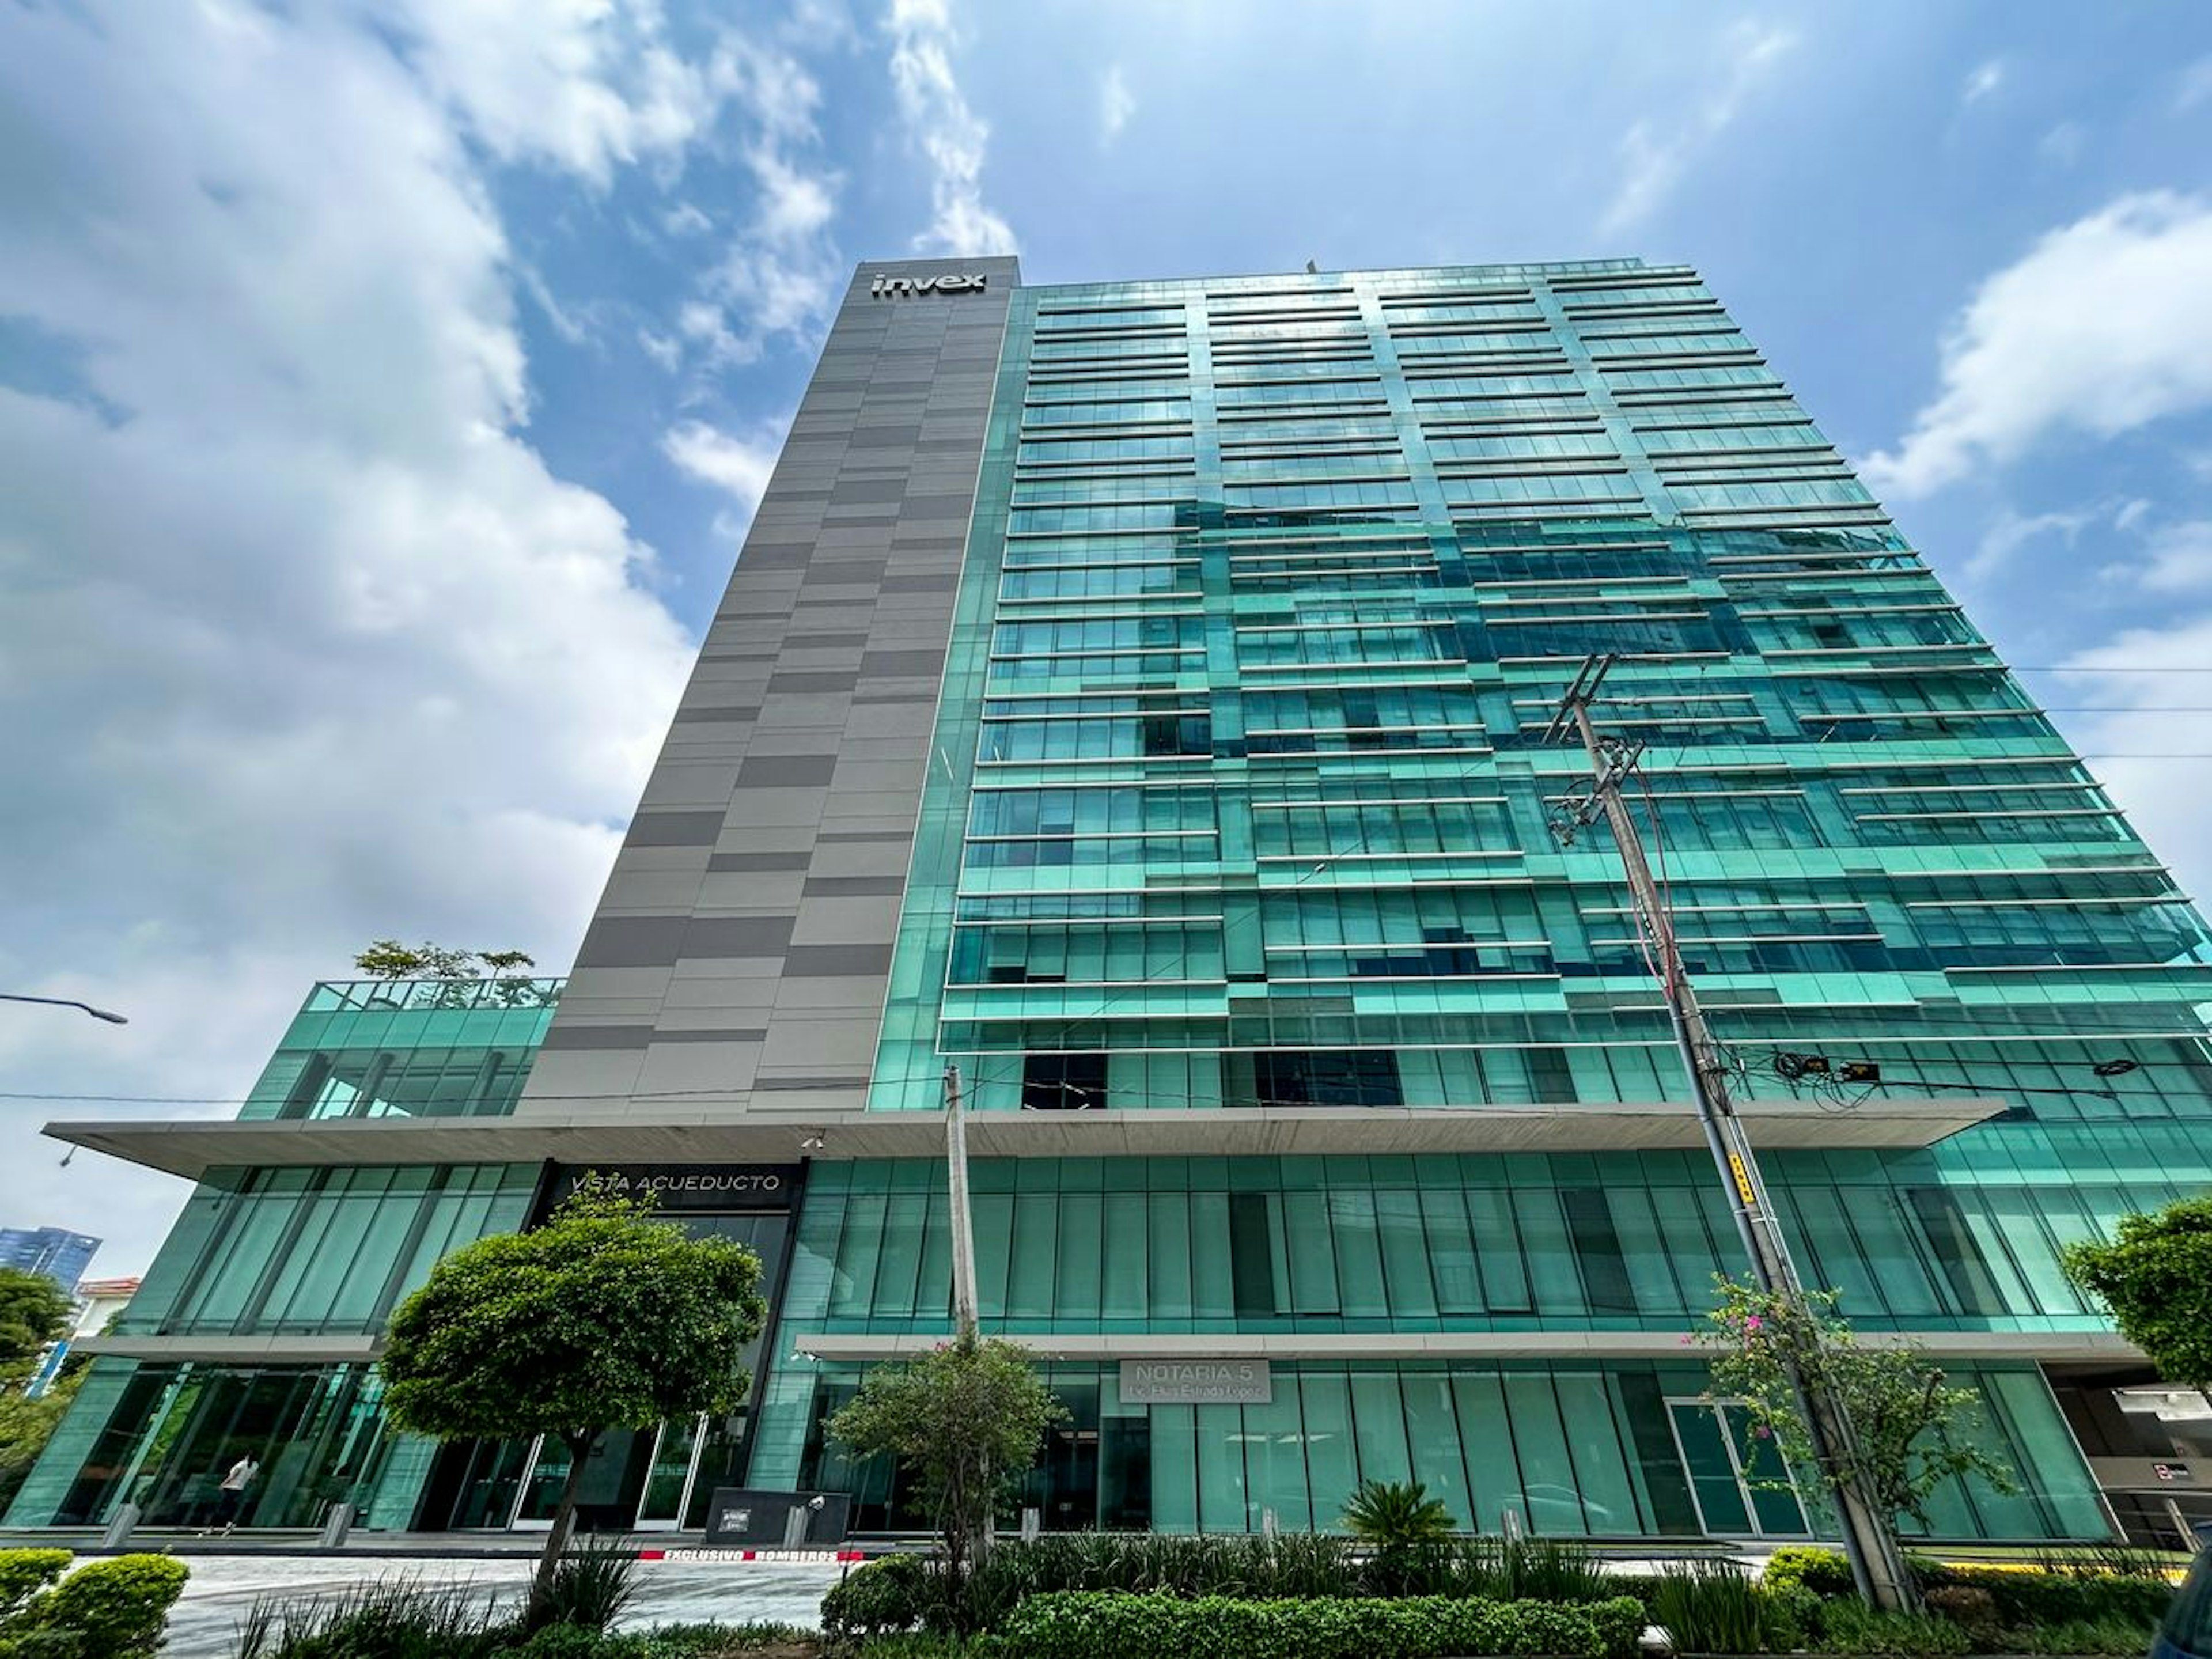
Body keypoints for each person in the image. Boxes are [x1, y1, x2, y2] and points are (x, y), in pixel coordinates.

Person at [207, 1453, 258, 1535]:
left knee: (220, 1508)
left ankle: (212, 1527)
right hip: (239, 1489)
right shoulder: (255, 1465)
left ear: (246, 1457)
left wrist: (223, 1484)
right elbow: (254, 1478)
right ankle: (229, 1523)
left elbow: (233, 1476)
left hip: (229, 1488)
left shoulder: (242, 1464)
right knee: (230, 1508)